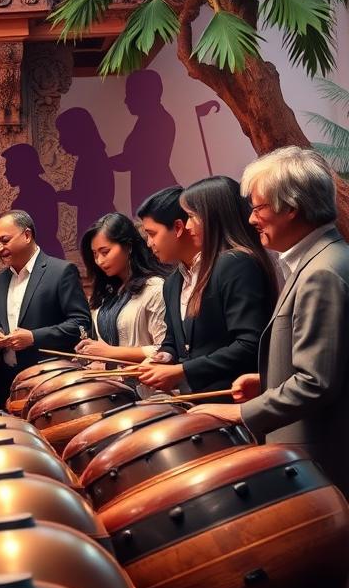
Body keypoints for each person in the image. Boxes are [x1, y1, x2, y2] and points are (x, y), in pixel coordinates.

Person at [190, 148, 349, 497]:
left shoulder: (322, 272)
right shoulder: (316, 262)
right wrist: (268, 379)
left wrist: (240, 413)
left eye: (258, 208)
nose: (251, 219)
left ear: (290, 207)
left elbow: (316, 383)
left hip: (321, 463)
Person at [137, 178, 276, 397]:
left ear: (214, 218)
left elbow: (249, 344)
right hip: (195, 400)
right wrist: (162, 357)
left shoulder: (235, 264)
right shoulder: (173, 282)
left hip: (235, 399)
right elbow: (175, 342)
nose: (189, 225)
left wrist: (181, 371)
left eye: (192, 217)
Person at [0, 210, 91, 411]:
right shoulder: (1, 279)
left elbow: (81, 325)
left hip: (49, 383)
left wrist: (33, 337)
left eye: (4, 240)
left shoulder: (61, 271)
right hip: (8, 384)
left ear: (27, 235)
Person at [75, 212, 170, 364]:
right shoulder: (108, 291)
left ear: (129, 247)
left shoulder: (154, 287)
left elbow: (164, 350)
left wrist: (109, 352)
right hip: (113, 382)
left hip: (146, 384)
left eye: (105, 252)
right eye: (94, 254)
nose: (99, 261)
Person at [111, 70, 178, 213]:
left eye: (130, 94)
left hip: (157, 194)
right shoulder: (147, 120)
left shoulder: (157, 121)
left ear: (144, 94)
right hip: (153, 193)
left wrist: (101, 162)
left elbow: (132, 159)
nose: (126, 100)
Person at [55, 107, 116, 247]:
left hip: (97, 225)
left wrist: (57, 196)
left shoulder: (92, 159)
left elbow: (84, 196)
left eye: (63, 134)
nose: (60, 140)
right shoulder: (92, 156)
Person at [0, 142, 65, 258]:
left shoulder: (41, 192)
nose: (5, 173)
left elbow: (42, 232)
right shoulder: (37, 191)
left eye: (9, 167)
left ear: (21, 167)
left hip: (44, 257)